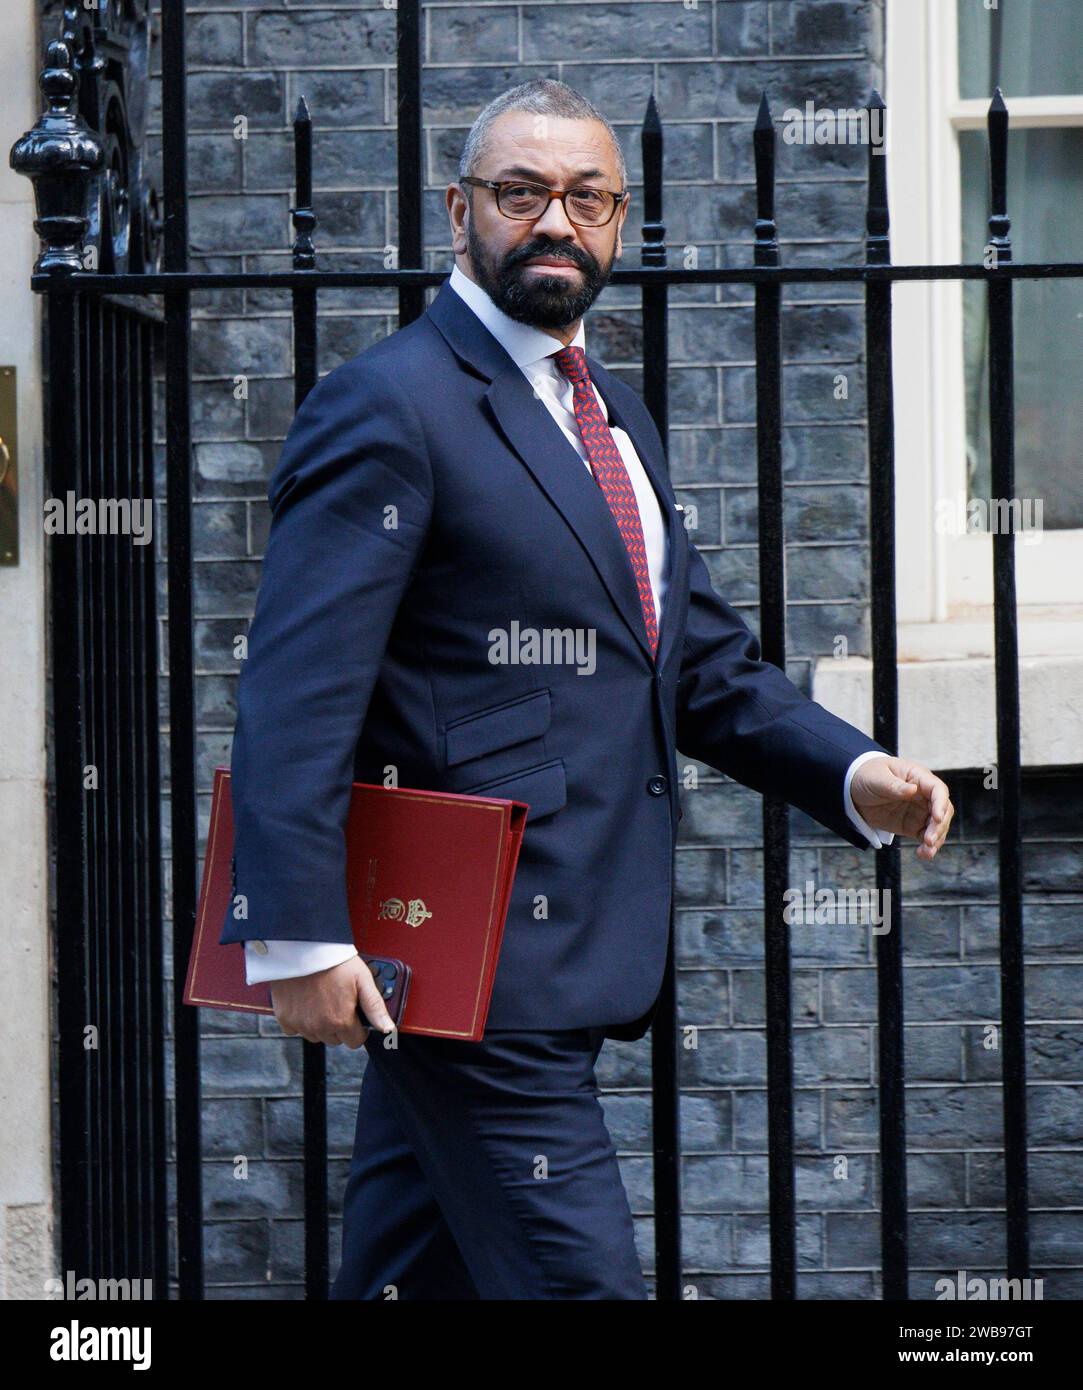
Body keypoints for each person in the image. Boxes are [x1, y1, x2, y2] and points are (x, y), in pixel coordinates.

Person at [220, 79, 954, 1300]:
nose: (555, 220)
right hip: (472, 959)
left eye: (587, 196)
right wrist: (294, 932)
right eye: (521, 193)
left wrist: (849, 767)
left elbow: (699, 660)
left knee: (416, 1273)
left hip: (555, 951)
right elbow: (297, 687)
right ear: (461, 211)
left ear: (620, 220)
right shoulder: (390, 406)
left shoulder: (609, 413)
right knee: (582, 1283)